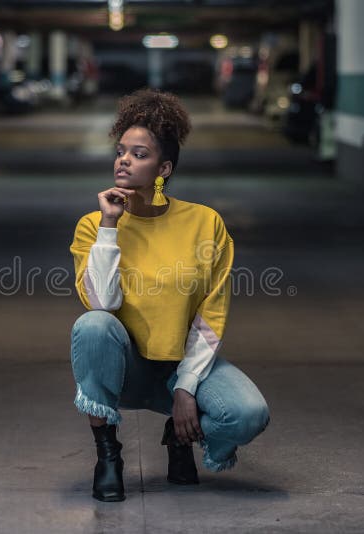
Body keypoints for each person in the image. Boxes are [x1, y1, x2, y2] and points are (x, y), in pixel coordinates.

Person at [69, 88, 270, 502]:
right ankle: (108, 455)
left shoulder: (204, 223)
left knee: (248, 415)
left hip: (182, 366)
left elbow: (212, 312)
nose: (123, 159)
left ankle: (180, 438)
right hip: (124, 370)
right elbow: (102, 305)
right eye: (121, 151)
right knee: (92, 325)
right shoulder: (93, 224)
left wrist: (187, 387)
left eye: (138, 154)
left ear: (163, 168)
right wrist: (110, 227)